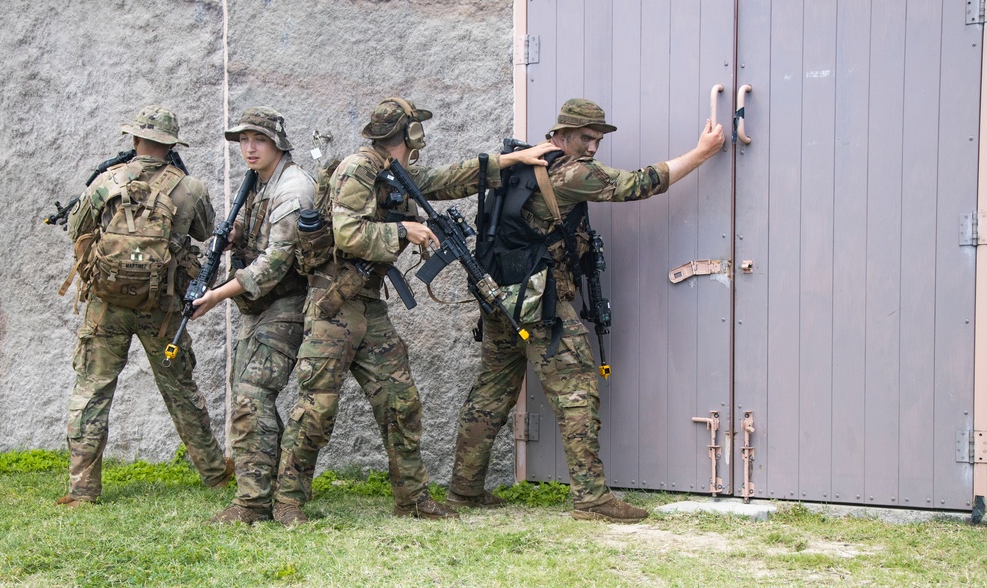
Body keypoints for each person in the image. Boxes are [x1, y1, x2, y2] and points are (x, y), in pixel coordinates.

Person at [270, 98, 555, 526]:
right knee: (317, 406)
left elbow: (446, 178)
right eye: (417, 130)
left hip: (368, 306)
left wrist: (513, 158)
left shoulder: (394, 172)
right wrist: (404, 229)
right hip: (334, 306)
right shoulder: (358, 168)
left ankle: (414, 498)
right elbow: (347, 234)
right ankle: (287, 501)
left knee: (401, 402)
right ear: (409, 134)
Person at [447, 98, 726, 523]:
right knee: (576, 395)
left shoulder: (517, 165)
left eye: (597, 139)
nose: (593, 147)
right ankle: (591, 499)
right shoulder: (569, 172)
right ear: (559, 135)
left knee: (490, 395)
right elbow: (639, 184)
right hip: (544, 308)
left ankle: (464, 490)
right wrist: (702, 152)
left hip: (501, 299)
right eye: (585, 138)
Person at [58, 105, 233, 506]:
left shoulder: (105, 181)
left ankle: (83, 489)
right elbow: (206, 231)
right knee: (180, 389)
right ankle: (212, 471)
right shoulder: (190, 187)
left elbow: (77, 229)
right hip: (163, 307)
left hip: (106, 306)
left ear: (134, 139)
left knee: (92, 389)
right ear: (171, 145)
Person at [191, 107, 316, 525]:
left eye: (258, 139)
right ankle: (270, 492)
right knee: (247, 393)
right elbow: (246, 229)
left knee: (251, 394)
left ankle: (253, 504)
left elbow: (275, 263)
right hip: (261, 307)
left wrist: (216, 295)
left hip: (290, 304)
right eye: (243, 140)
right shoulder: (258, 182)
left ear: (277, 143)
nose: (248, 147)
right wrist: (227, 240)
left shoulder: (294, 186)